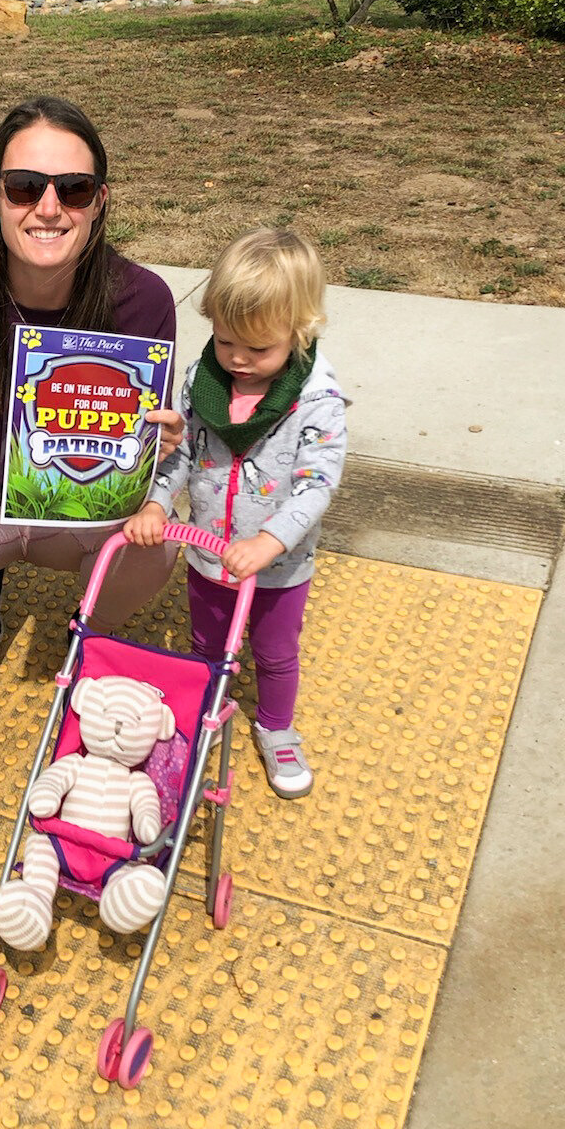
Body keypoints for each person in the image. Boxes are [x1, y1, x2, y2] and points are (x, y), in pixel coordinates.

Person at [0, 96, 181, 657]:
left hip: (84, 496)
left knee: (152, 551)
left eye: (74, 189)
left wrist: (160, 446)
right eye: (23, 186)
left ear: (99, 203)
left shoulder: (142, 301)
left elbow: (146, 433)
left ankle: (86, 623)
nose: (48, 208)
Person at [123, 229, 347, 798]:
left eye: (259, 349)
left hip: (276, 567)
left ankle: (276, 728)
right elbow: (184, 453)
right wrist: (156, 500)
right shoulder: (205, 382)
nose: (239, 361)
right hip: (207, 552)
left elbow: (316, 486)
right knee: (206, 644)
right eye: (225, 343)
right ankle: (206, 708)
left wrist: (271, 542)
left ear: (300, 334)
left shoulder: (316, 401)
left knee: (274, 652)